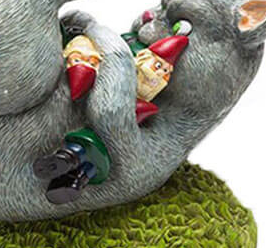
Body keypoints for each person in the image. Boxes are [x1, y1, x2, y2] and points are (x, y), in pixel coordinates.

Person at [34, 31, 189, 204]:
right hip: (94, 117)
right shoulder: (124, 69)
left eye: (166, 72)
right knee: (87, 142)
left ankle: (76, 180)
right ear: (143, 58)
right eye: (158, 66)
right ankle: (66, 158)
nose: (159, 74)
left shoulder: (146, 94)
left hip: (110, 138)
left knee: (97, 159)